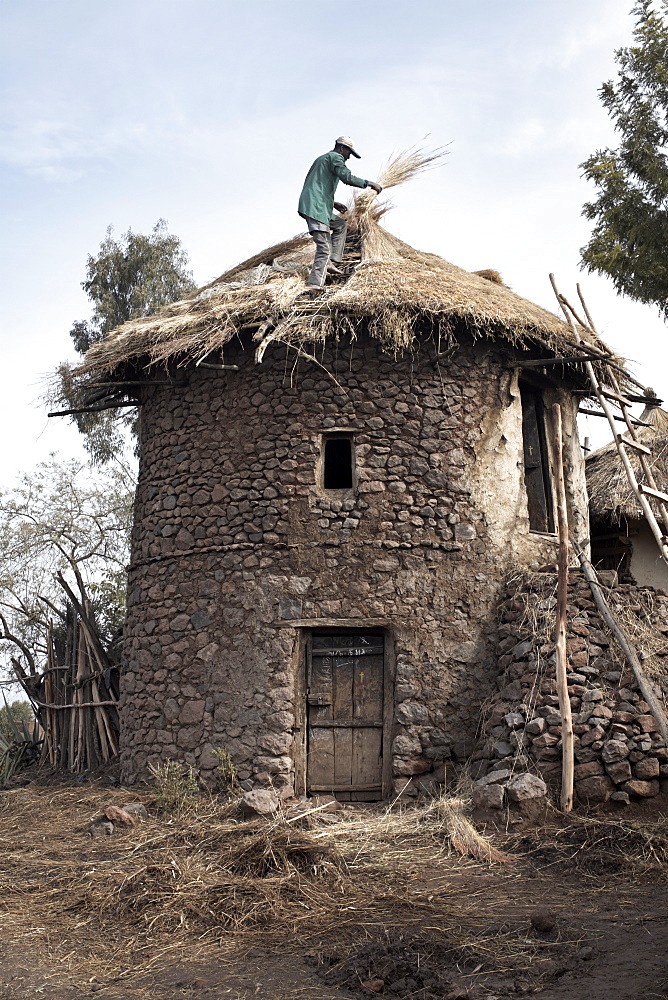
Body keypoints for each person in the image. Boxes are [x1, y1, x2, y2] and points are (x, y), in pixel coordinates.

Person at [298, 136, 382, 290]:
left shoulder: (322, 159)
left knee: (340, 225)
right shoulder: (335, 157)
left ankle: (331, 261)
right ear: (342, 148)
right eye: (349, 153)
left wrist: (333, 203)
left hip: (320, 204)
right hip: (316, 207)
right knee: (324, 247)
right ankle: (314, 283)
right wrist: (368, 183)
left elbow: (317, 184)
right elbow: (346, 177)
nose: (349, 157)